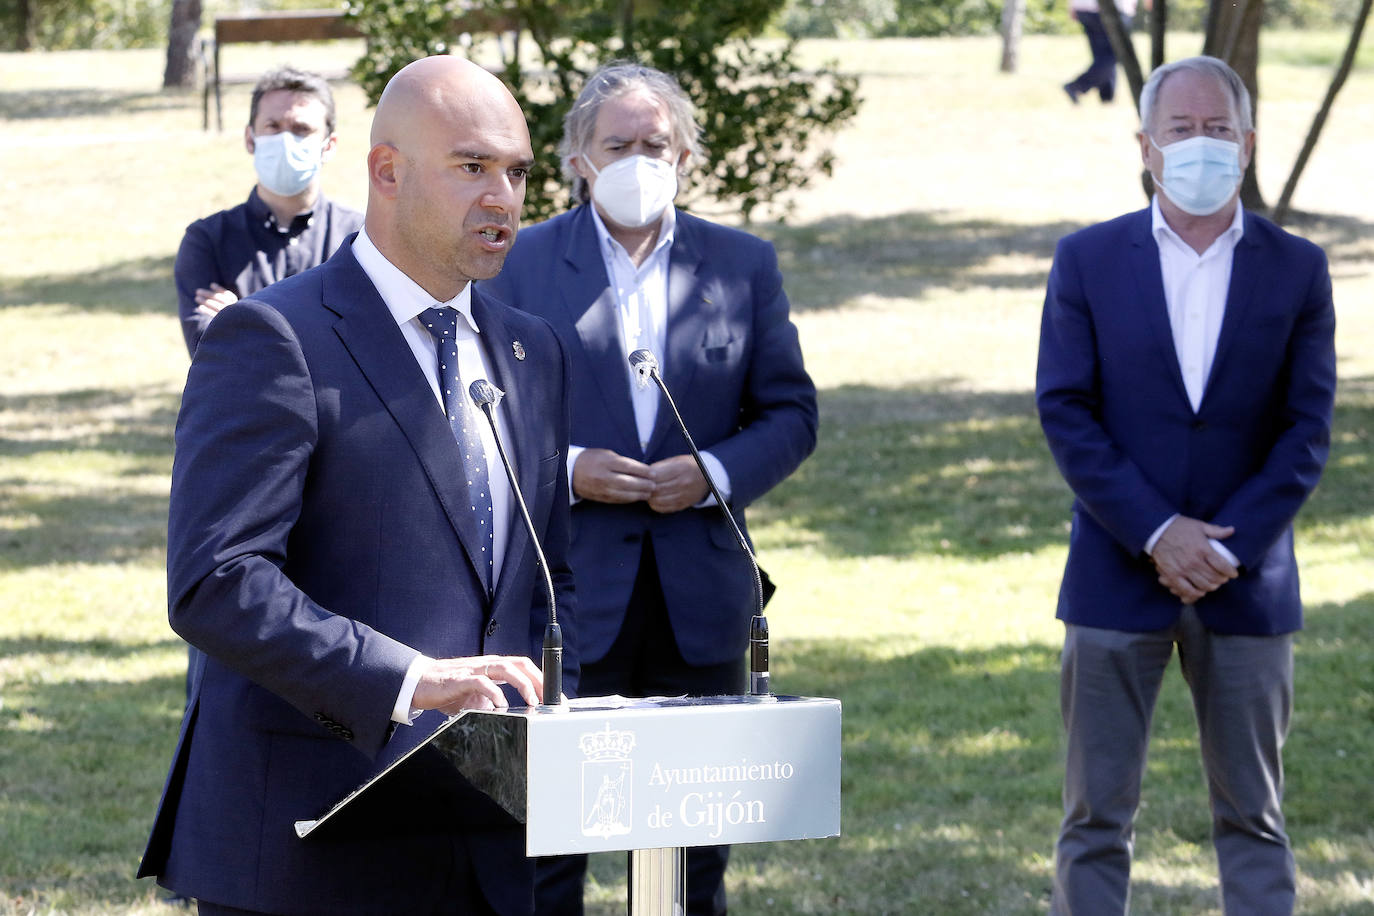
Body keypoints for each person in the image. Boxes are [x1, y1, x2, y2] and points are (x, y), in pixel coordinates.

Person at [138, 55, 578, 916]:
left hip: (486, 849)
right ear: (386, 170)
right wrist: (408, 680)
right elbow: (217, 581)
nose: (503, 197)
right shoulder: (274, 337)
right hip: (305, 846)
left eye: (518, 172)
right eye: (473, 166)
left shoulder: (534, 351)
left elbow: (554, 581)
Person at [479, 62, 818, 916]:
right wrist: (567, 470)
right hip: (566, 600)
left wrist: (715, 474)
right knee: (551, 847)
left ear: (686, 156)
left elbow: (791, 414)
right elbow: (473, 412)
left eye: (655, 145)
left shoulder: (742, 265)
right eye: (618, 144)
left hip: (701, 602)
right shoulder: (519, 264)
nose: (638, 160)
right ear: (578, 160)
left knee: (689, 857)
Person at [1036, 56, 1336, 915]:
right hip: (1114, 570)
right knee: (1095, 817)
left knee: (1254, 818)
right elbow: (1066, 409)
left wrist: (1224, 548)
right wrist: (1158, 531)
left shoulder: (1298, 267)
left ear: (1247, 142)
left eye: (1217, 129)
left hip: (1249, 580)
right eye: (1181, 129)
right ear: (1146, 145)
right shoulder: (1088, 259)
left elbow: (1306, 428)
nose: (1200, 144)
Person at [174, 66, 363, 355]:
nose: (286, 140)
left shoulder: (360, 238)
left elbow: (371, 347)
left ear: (329, 145)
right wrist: (324, 328)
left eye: (301, 129)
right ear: (250, 138)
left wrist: (243, 317)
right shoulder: (207, 240)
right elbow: (209, 355)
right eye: (273, 126)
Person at [1062, 0, 1146, 105]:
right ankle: (1077, 86)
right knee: (1114, 55)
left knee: (1103, 56)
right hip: (1114, 9)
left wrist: (1073, 5)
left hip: (1084, 7)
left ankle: (1107, 96)